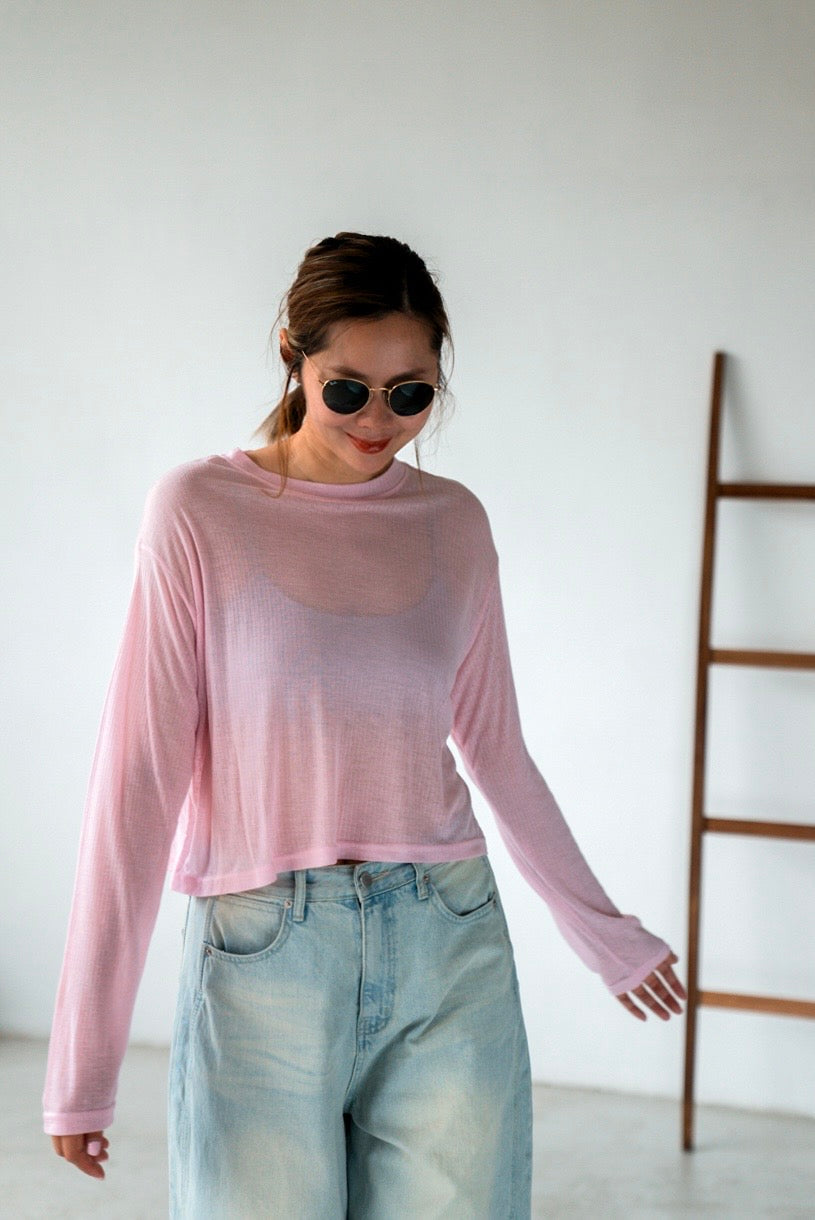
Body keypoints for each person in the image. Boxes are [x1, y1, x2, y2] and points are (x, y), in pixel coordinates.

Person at [44, 231, 685, 1217]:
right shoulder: (198, 510)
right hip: (262, 951)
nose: (378, 420)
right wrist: (83, 1062)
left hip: (447, 939)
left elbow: (494, 748)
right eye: (347, 389)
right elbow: (137, 780)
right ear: (292, 356)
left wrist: (603, 933)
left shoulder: (452, 522)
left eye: (410, 392)